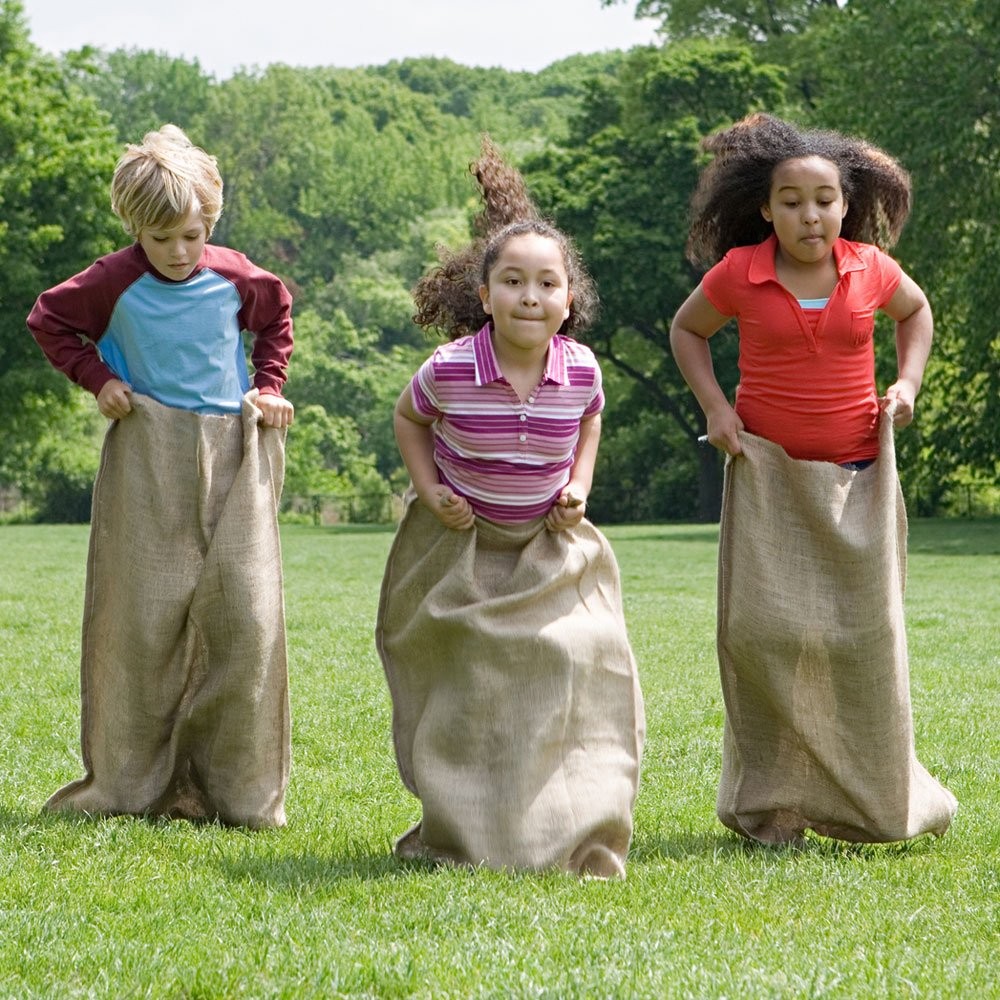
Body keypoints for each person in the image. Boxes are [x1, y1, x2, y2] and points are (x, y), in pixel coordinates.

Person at [670, 113, 957, 845]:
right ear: (766, 209)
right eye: (792, 200)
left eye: (824, 199)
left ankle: (875, 803)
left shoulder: (871, 268)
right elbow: (687, 330)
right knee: (757, 632)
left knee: (865, 638)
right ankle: (774, 807)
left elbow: (916, 312)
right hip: (766, 478)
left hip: (859, 476)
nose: (810, 214)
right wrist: (716, 409)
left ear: (845, 204)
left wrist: (909, 384)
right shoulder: (740, 272)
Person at [375, 139, 645, 877]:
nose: (532, 296)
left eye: (547, 284)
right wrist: (431, 490)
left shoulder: (581, 367)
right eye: (514, 282)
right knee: (471, 683)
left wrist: (579, 483)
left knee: (576, 658)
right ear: (485, 294)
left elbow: (590, 420)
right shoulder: (452, 369)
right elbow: (408, 418)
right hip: (464, 549)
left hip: (549, 548)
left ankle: (568, 818)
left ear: (569, 298)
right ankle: (465, 826)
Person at [27, 124, 295, 828]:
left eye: (191, 234)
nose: (178, 252)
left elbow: (277, 321)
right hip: (148, 452)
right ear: (133, 227)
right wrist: (98, 379)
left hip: (234, 451)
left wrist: (269, 387)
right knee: (142, 620)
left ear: (210, 221)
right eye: (160, 238)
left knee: (246, 616)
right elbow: (49, 320)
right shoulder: (112, 280)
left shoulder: (236, 275)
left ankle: (237, 789)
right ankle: (130, 782)